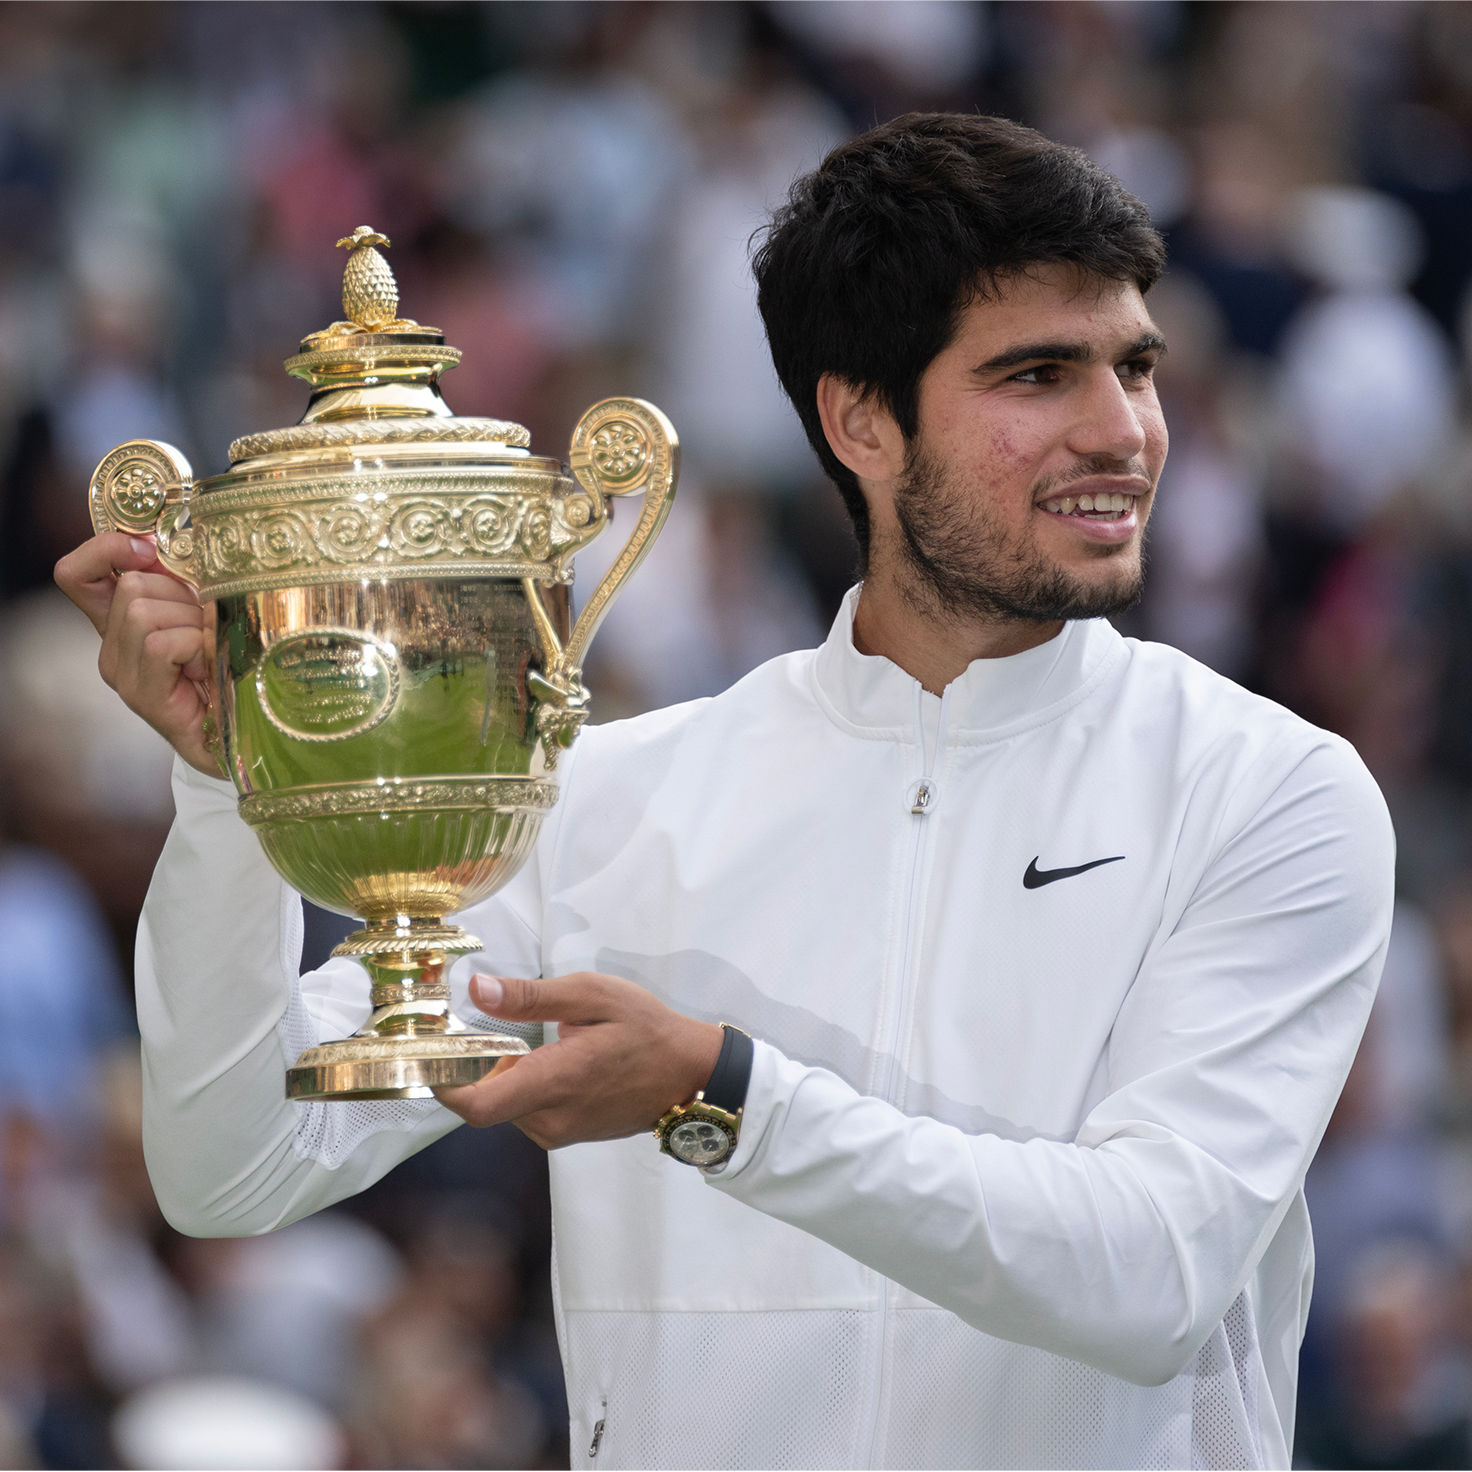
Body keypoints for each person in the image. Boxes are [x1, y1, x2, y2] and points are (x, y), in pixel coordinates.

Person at [56, 113, 1394, 1470]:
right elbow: (230, 1170)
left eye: (1135, 367)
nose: (1123, 431)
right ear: (859, 419)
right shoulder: (601, 801)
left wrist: (721, 1096)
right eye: (1038, 375)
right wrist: (227, 791)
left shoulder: (1271, 791)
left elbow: (1154, 1273)